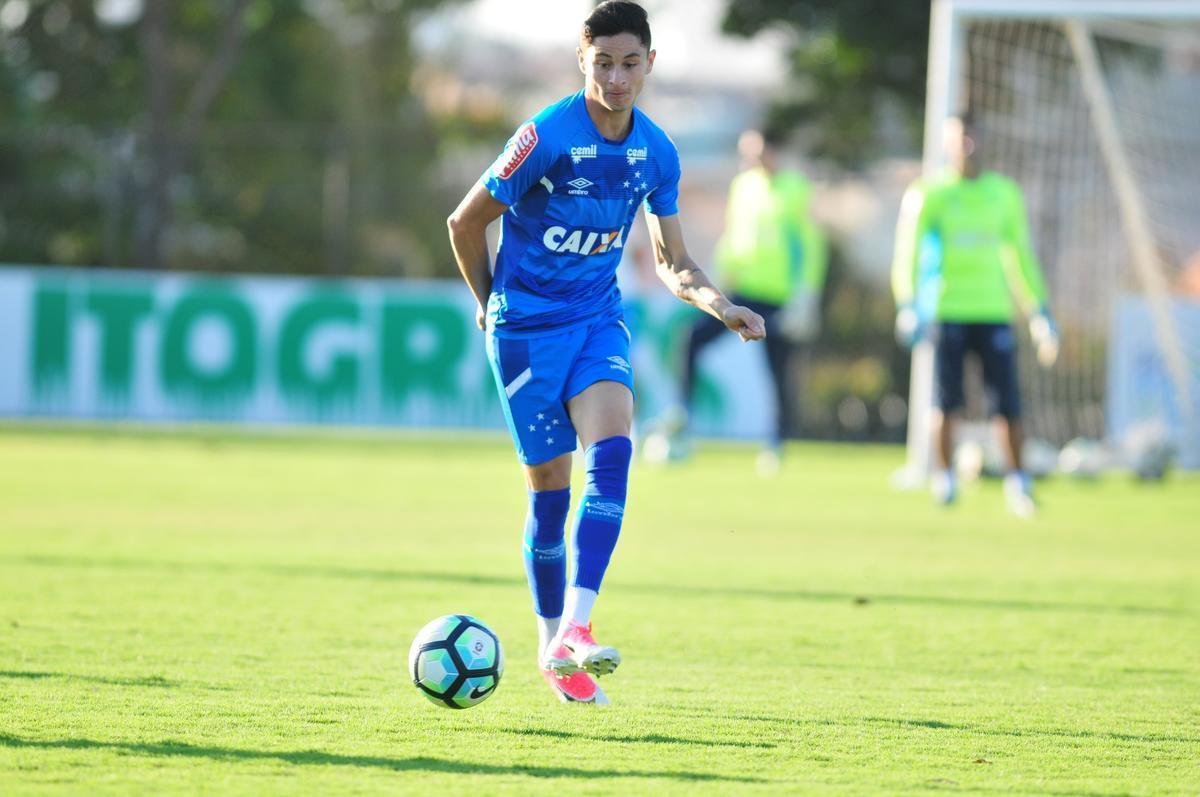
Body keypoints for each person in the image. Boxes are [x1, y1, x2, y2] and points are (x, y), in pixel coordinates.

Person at [446, 0, 766, 706]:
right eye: (603, 64)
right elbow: (465, 222)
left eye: (629, 64)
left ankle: (577, 630)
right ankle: (549, 646)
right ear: (581, 62)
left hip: (595, 322)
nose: (616, 79)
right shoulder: (545, 137)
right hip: (525, 332)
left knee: (614, 449)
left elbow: (674, 260)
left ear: (650, 63)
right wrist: (486, 300)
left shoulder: (658, 152)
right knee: (550, 497)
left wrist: (722, 305)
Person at [892, 112, 1058, 517]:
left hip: (992, 311)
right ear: (946, 144)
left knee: (1006, 402)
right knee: (947, 402)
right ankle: (944, 478)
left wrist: (1038, 310)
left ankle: (1018, 483)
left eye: (970, 137)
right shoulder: (929, 194)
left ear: (980, 140)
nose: (965, 146)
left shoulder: (1003, 194)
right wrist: (908, 303)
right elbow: (907, 253)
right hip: (946, 311)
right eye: (957, 138)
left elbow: (1020, 255)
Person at [658, 128, 826, 473]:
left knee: (778, 371)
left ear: (773, 151)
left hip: (780, 296)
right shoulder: (744, 186)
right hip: (742, 294)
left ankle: (777, 443)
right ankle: (682, 419)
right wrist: (719, 279)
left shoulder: (795, 187)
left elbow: (808, 244)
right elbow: (735, 236)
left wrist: (806, 295)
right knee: (692, 339)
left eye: (757, 152)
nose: (749, 159)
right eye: (745, 152)